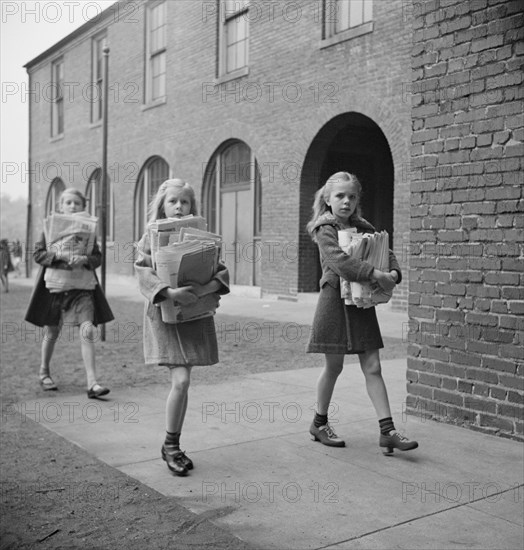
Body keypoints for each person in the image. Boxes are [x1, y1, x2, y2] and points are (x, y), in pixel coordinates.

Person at [306, 172, 418, 455]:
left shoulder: (363, 226)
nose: (346, 201)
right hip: (334, 303)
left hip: (362, 303)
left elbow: (384, 249)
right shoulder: (325, 228)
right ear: (327, 199)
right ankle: (319, 423)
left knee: (373, 367)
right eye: (340, 196)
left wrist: (393, 271)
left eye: (352, 196)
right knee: (334, 367)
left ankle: (388, 431)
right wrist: (376, 274)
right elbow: (340, 262)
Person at [134, 179, 229, 476]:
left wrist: (201, 291)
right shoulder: (149, 237)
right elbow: (142, 272)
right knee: (182, 381)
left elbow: (222, 272)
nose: (179, 206)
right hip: (165, 314)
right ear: (162, 205)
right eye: (173, 201)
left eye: (184, 202)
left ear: (192, 206)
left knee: (183, 381)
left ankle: (171, 445)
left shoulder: (203, 237)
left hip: (194, 313)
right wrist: (170, 293)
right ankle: (171, 447)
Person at [25, 188, 114, 397]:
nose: (73, 206)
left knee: (88, 330)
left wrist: (86, 260)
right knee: (52, 332)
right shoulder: (50, 227)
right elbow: (38, 254)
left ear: (83, 207)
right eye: (68, 203)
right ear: (61, 206)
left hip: (82, 289)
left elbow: (97, 257)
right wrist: (59, 256)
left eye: (77, 203)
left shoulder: (89, 229)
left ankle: (92, 383)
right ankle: (44, 371)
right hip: (54, 289)